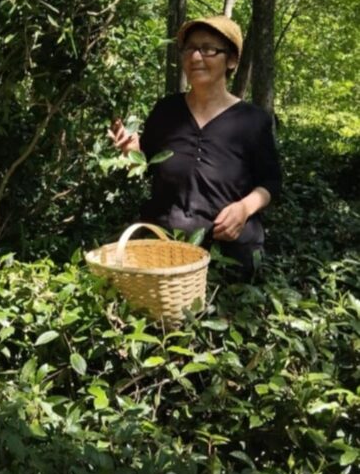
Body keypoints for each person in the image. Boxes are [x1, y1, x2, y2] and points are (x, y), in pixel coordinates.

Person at [108, 15, 281, 279]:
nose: (196, 57)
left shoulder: (253, 120)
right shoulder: (166, 111)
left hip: (230, 260)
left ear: (231, 61)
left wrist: (244, 208)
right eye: (190, 48)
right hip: (164, 253)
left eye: (209, 49)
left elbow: (271, 182)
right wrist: (131, 151)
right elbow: (145, 164)